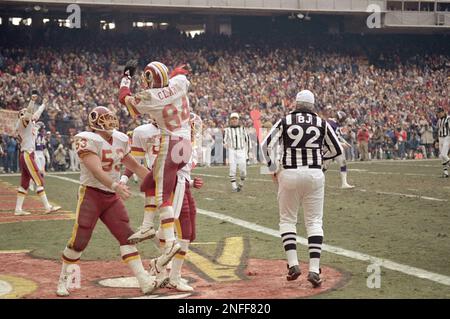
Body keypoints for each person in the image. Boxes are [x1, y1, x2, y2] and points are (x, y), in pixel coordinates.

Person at [56, 106, 156, 297]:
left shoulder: (120, 138)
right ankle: (64, 280)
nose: (111, 122)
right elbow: (96, 170)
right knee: (80, 241)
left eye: (111, 118)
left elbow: (133, 165)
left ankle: (143, 280)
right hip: (91, 194)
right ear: (95, 122)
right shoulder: (87, 139)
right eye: (105, 119)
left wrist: (154, 180)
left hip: (110, 197)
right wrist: (115, 185)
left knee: (126, 235)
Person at [261, 90, 343, 288]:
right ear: (312, 105)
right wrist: (320, 157)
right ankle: (314, 269)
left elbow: (265, 145)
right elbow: (337, 149)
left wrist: (273, 169)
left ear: (296, 103)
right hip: (314, 174)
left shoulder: (285, 120)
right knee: (314, 221)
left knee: (288, 219)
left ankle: (293, 264)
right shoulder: (321, 122)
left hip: (289, 173)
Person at [119, 60, 192, 271]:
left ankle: (169, 242)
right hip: (185, 143)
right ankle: (147, 226)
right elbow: (181, 74)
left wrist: (126, 77)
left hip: (171, 142)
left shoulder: (150, 97)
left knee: (162, 195)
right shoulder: (179, 82)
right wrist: (177, 70)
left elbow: (124, 98)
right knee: (150, 183)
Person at [14, 93, 61, 216]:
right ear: (21, 115)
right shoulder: (22, 122)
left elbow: (35, 114)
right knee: (39, 181)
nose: (28, 112)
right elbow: (29, 114)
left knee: (24, 184)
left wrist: (44, 104)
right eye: (24, 112)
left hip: (26, 155)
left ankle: (18, 209)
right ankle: (47, 207)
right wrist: (31, 101)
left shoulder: (27, 124)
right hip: (27, 155)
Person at [323, 111, 354, 189]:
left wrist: (345, 142)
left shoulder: (335, 124)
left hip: (336, 147)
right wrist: (341, 144)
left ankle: (344, 183)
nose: (343, 122)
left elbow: (338, 136)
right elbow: (330, 138)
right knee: (324, 166)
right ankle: (317, 182)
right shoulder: (330, 124)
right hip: (330, 147)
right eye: (343, 120)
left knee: (342, 162)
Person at [223, 113, 249, 192]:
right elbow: (224, 140)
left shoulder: (243, 129)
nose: (234, 120)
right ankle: (234, 187)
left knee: (243, 171)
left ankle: (241, 183)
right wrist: (225, 144)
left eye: (236, 119)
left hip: (241, 150)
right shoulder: (227, 130)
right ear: (230, 120)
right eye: (232, 119)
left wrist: (247, 153)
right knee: (232, 169)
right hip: (232, 150)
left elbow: (247, 140)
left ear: (238, 120)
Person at [436, 107, 450, 178]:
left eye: (439, 113)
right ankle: (445, 173)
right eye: (438, 113)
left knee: (444, 155)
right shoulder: (439, 120)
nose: (438, 114)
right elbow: (438, 130)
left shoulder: (448, 118)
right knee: (442, 156)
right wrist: (436, 141)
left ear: (443, 112)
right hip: (440, 138)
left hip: (447, 137)